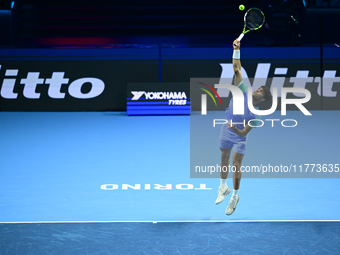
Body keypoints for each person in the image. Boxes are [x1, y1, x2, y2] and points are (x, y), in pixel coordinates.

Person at [215, 39, 272, 215]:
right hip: (227, 128)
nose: (257, 90)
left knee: (236, 164)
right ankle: (223, 187)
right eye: (259, 88)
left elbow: (243, 133)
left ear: (263, 99)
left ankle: (235, 197)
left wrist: (234, 129)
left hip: (238, 135)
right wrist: (237, 50)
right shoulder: (244, 89)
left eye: (261, 91)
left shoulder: (256, 115)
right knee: (224, 156)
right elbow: (237, 68)